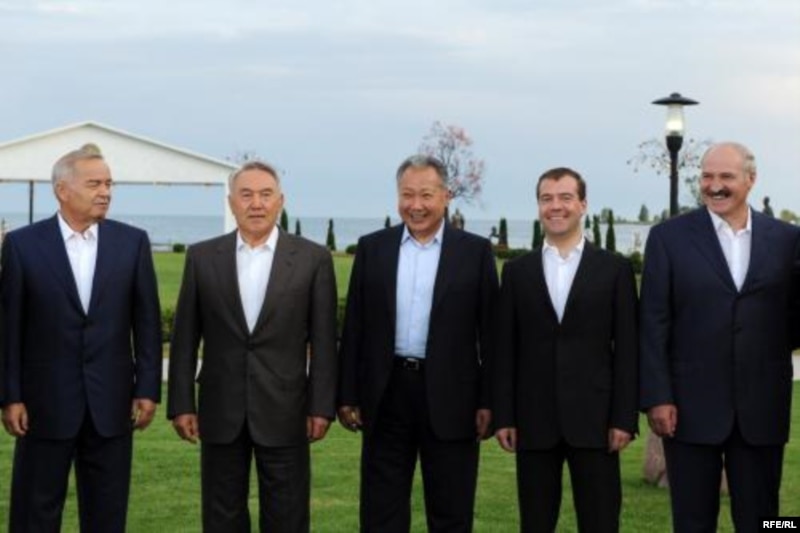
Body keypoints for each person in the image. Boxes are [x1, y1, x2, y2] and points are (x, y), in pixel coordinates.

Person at [167, 160, 338, 533]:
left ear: (281, 201)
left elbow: (324, 342)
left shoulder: (313, 259)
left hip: (287, 411)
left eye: (265, 194)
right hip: (220, 411)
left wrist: (321, 406)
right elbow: (185, 339)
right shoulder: (202, 257)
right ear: (232, 202)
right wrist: (181, 403)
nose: (256, 204)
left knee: (287, 515)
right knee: (221, 516)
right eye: (246, 195)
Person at [0, 145, 162, 532]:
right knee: (34, 513)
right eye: (94, 184)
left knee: (107, 514)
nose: (105, 192)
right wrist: (10, 396)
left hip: (112, 405)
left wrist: (147, 388)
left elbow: (147, 323)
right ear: (62, 190)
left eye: (109, 184)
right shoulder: (22, 245)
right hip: (43, 405)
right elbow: (9, 329)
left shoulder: (133, 243)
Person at [640, 142, 800, 532]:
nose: (714, 185)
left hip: (762, 407)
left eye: (726, 176)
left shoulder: (788, 240)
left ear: (751, 179)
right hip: (688, 409)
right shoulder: (668, 238)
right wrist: (657, 396)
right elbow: (653, 322)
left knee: (766, 521)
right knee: (692, 521)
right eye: (707, 176)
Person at [337, 154, 498, 532]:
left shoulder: (474, 252)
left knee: (451, 511)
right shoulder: (373, 248)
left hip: (453, 398)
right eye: (407, 195)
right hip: (386, 394)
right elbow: (355, 325)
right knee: (381, 512)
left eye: (426, 195)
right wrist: (347, 394)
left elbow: (491, 334)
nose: (416, 205)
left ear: (446, 196)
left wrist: (490, 401)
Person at [493, 167, 639, 532]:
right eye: (547, 198)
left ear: (583, 205)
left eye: (565, 197)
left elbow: (627, 349)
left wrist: (623, 417)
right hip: (533, 420)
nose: (555, 206)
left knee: (601, 522)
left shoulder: (614, 269)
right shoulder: (517, 272)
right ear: (538, 206)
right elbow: (504, 350)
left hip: (596, 420)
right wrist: (504, 416)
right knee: (535, 523)